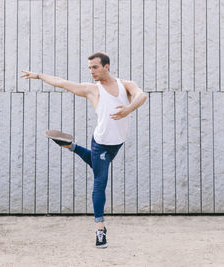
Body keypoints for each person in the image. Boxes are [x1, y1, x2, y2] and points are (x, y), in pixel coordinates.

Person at [20, 52, 147, 248]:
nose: (91, 71)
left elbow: (142, 95)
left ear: (106, 66)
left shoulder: (125, 85)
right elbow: (61, 82)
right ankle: (100, 230)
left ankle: (71, 146)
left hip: (117, 143)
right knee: (100, 179)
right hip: (102, 142)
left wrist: (128, 110)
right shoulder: (92, 90)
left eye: (94, 67)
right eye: (89, 68)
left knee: (97, 164)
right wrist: (38, 76)